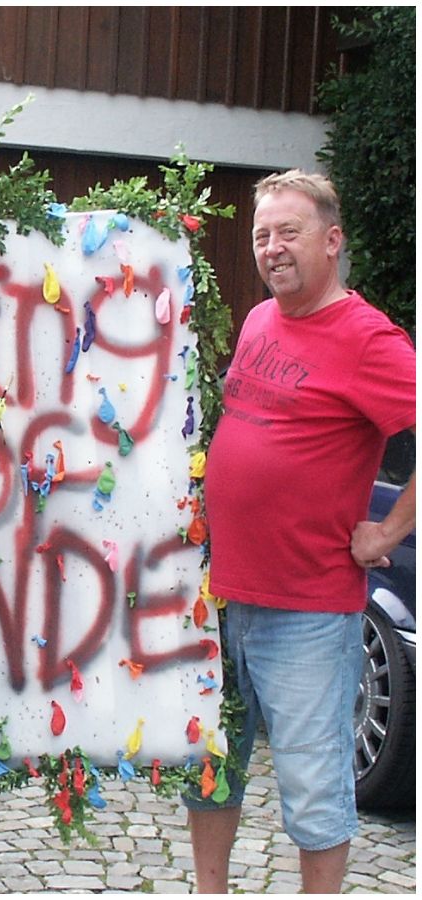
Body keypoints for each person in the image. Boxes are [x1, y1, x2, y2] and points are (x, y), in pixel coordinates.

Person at [185, 169, 415, 894]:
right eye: (262, 236)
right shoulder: (259, 319)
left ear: (331, 239)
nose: (273, 248)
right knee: (211, 768)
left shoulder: (368, 338)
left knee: (315, 792)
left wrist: (385, 535)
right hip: (222, 597)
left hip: (308, 612)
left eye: (289, 232)